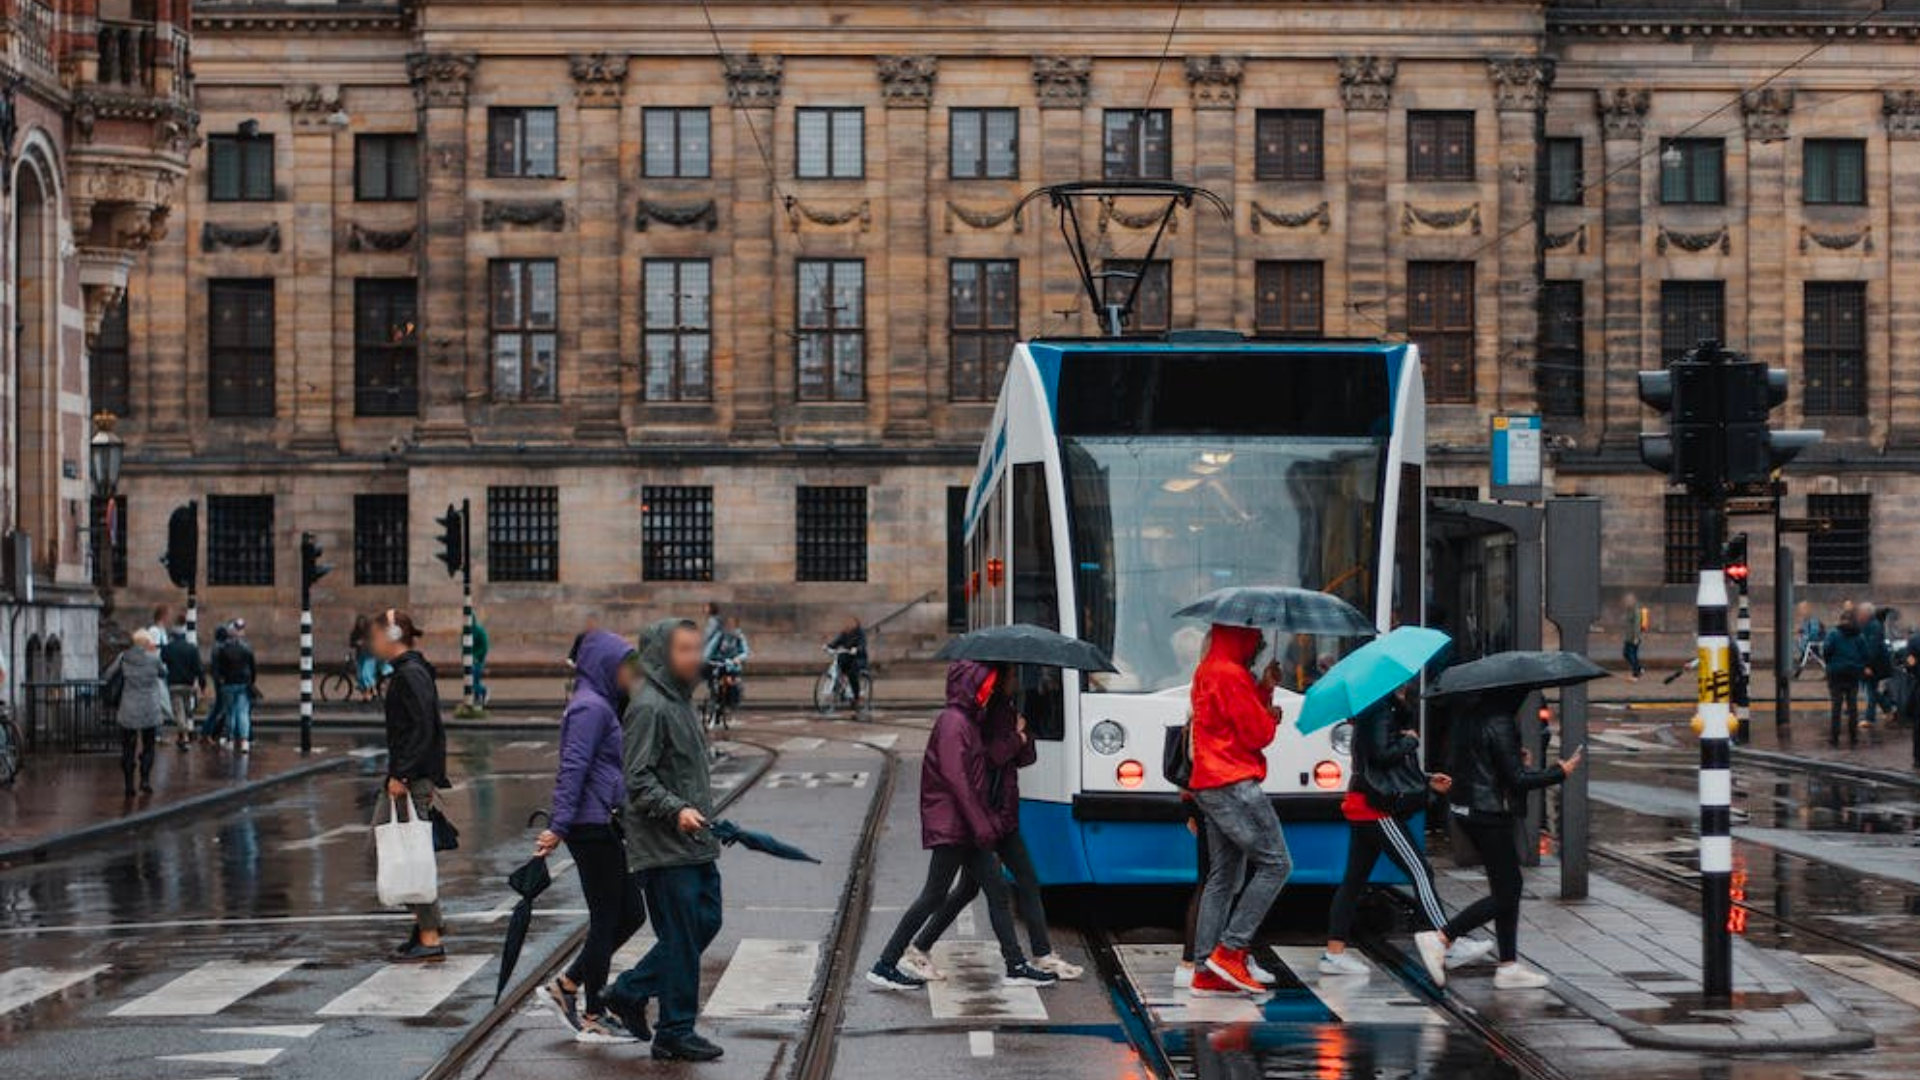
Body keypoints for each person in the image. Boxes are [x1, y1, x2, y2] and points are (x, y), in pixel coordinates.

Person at [867, 661, 1059, 992]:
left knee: (996, 891)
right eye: (985, 686)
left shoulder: (968, 721)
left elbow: (980, 773)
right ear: (972, 686)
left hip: (967, 824)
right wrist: (981, 823)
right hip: (955, 824)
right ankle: (885, 964)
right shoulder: (954, 724)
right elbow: (959, 782)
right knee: (934, 894)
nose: (988, 692)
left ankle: (1015, 964)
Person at [604, 619, 727, 1062]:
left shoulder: (679, 701)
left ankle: (628, 991)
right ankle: (675, 1030)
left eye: (697, 648)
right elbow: (637, 780)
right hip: (664, 845)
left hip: (694, 842)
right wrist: (676, 809)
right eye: (685, 649)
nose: (695, 656)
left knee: (705, 923)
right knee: (680, 936)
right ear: (660, 653)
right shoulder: (650, 706)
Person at [1320, 686, 1494, 984]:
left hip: (1365, 804)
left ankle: (1334, 953)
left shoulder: (1378, 707)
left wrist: (1424, 780)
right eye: (1404, 680)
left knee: (1353, 881)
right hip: (1377, 810)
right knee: (1421, 871)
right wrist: (1410, 741)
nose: (1408, 683)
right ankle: (1447, 942)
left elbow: (1379, 763)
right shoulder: (1378, 709)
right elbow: (1381, 755)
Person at [537, 629, 646, 1043]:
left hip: (606, 820)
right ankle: (593, 1011)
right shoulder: (588, 708)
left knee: (632, 912)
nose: (628, 675)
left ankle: (567, 984)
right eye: (624, 667)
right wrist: (558, 827)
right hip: (589, 824)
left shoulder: (602, 703)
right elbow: (573, 768)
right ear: (604, 665)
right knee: (606, 917)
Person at [1439, 691, 1583, 990]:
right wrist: (1560, 772)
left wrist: (1515, 759)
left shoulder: (1470, 715)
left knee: (1505, 888)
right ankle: (1443, 936)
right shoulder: (1500, 720)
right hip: (1490, 813)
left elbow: (1482, 764)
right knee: (1508, 892)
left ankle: (1508, 965)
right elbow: (1517, 780)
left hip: (1474, 811)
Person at [1188, 624, 1291, 997]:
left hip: (1209, 781)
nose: (1258, 644)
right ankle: (1231, 951)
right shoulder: (1231, 675)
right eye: (1255, 639)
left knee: (1224, 874)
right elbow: (1257, 734)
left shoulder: (1208, 669)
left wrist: (1264, 688)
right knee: (1277, 864)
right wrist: (1270, 706)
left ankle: (1204, 969)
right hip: (1234, 781)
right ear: (1242, 638)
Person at [374, 608, 451, 963]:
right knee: (405, 850)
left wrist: (402, 775)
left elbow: (424, 729)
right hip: (412, 774)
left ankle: (431, 935)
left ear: (392, 637)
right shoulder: (411, 671)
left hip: (408, 777)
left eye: (376, 635)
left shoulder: (411, 675)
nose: (372, 643)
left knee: (408, 854)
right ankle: (422, 927)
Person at [112, 631, 170, 797]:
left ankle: (129, 784)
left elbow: (109, 674)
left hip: (128, 707)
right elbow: (164, 673)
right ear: (146, 644)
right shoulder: (153, 659)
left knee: (128, 748)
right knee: (148, 746)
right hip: (149, 708)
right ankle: (145, 780)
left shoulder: (124, 658)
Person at [1824, 611, 1872, 748]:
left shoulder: (1833, 634)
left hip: (1836, 674)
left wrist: (1831, 664)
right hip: (1853, 674)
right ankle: (1853, 737)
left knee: (1836, 706)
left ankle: (1834, 737)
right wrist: (1860, 666)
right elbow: (1866, 654)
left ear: (1841, 620)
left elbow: (1826, 651)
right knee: (1852, 707)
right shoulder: (1859, 636)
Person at [210, 618, 257, 752]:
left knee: (230, 712)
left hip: (228, 684)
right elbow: (253, 667)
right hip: (243, 683)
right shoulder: (246, 648)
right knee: (243, 712)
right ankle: (244, 741)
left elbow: (217, 668)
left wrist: (220, 681)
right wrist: (251, 681)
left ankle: (229, 738)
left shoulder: (222, 649)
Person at [160, 615, 205, 751]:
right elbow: (198, 668)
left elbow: (163, 659)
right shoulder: (192, 648)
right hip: (188, 684)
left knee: (179, 712)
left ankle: (184, 736)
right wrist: (202, 685)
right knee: (186, 710)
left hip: (174, 683)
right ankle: (184, 734)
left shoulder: (169, 648)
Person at [1857, 601, 1893, 731]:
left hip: (1875, 664)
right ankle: (1888, 709)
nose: (1859, 615)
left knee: (1871, 689)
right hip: (1872, 663)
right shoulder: (1868, 625)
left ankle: (1870, 718)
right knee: (1872, 689)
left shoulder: (1873, 626)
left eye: (1861, 612)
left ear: (1867, 614)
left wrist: (1867, 665)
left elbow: (1873, 648)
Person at [702, 616, 750, 710]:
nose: (729, 626)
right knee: (713, 680)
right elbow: (711, 647)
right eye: (728, 624)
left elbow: (745, 652)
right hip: (719, 663)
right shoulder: (720, 635)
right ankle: (714, 699)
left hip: (732, 665)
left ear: (736, 625)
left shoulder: (739, 637)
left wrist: (738, 659)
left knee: (730, 682)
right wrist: (704, 658)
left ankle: (731, 703)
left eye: (732, 624)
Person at [827, 617, 868, 707]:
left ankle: (856, 697)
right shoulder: (845, 632)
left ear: (856, 623)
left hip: (859, 658)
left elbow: (863, 644)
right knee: (838, 667)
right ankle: (838, 690)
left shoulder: (860, 633)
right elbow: (837, 641)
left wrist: (857, 649)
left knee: (852, 673)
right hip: (847, 656)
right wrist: (829, 646)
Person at [350, 614, 378, 700]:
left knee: (365, 674)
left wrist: (365, 643)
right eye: (359, 622)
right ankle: (369, 691)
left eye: (362, 622)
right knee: (359, 676)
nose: (360, 624)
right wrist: (356, 643)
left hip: (370, 655)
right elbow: (351, 643)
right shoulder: (355, 632)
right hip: (360, 655)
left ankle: (368, 693)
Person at [1621, 594, 1645, 681]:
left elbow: (1637, 625)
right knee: (1626, 654)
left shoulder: (1636, 610)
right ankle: (1639, 669)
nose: (1626, 602)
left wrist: (1636, 637)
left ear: (1633, 601)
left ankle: (1635, 675)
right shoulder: (1629, 610)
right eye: (1626, 600)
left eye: (1628, 600)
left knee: (1632, 656)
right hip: (1628, 638)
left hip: (1634, 638)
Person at [469, 613, 490, 706]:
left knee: (473, 682)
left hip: (477, 661)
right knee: (474, 681)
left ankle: (484, 691)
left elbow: (485, 646)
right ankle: (477, 700)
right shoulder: (466, 632)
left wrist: (476, 657)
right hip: (469, 661)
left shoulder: (479, 631)